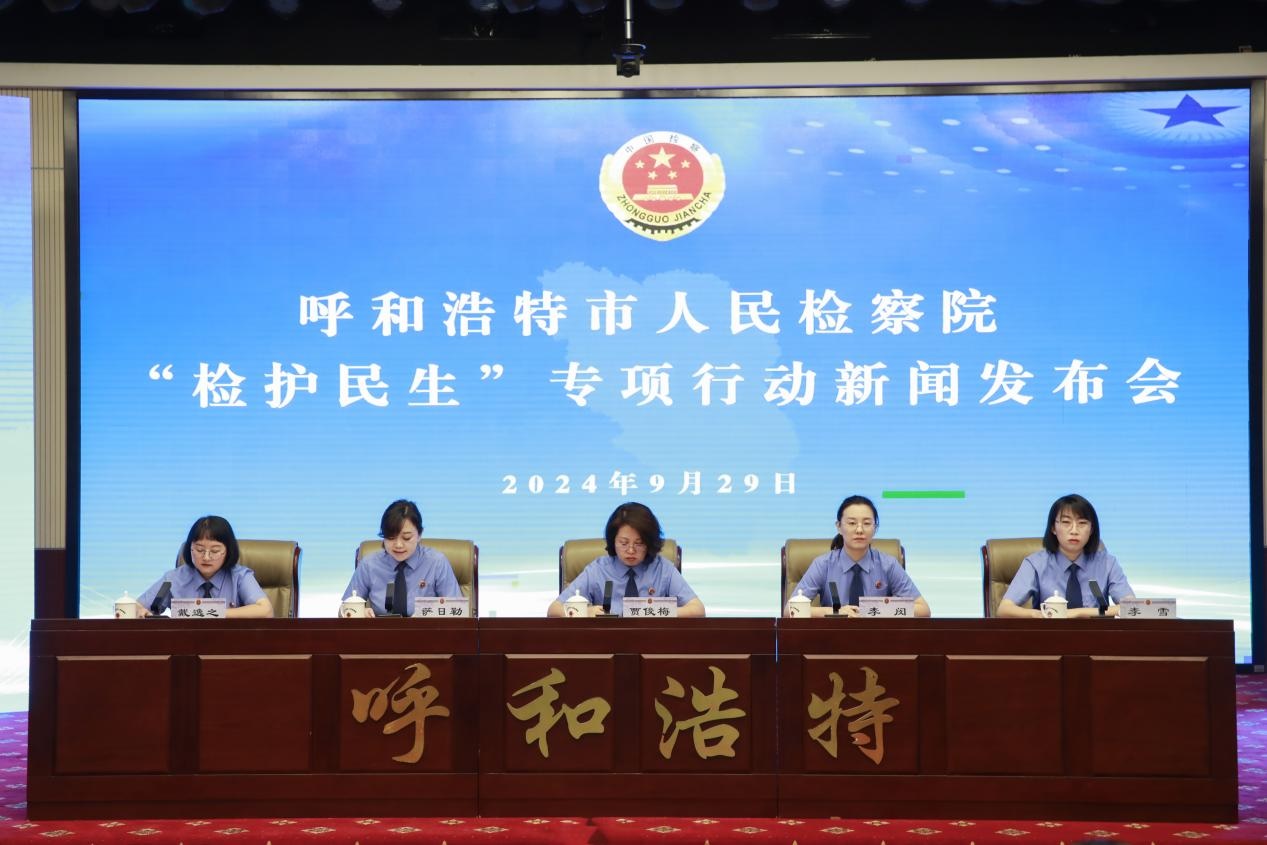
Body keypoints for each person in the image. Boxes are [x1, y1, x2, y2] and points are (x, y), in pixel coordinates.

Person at [547, 502, 705, 618]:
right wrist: (585, 612)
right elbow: (554, 610)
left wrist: (653, 612)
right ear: (613, 541)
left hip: (652, 644)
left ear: (649, 543)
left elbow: (698, 610)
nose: (630, 550)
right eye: (623, 543)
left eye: (639, 543)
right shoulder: (598, 570)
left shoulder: (662, 569)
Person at [786, 494, 931, 618]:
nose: (859, 530)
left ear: (875, 528)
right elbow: (790, 610)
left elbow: (924, 610)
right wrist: (834, 611)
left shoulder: (888, 565)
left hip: (878, 638)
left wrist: (878, 610)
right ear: (839, 527)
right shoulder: (823, 564)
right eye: (852, 523)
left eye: (867, 523)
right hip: (833, 638)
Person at [997, 493, 1135, 618]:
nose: (1074, 530)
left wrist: (1079, 612)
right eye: (1066, 522)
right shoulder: (1035, 564)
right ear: (1053, 528)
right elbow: (1004, 609)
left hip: (1096, 636)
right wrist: (1040, 615)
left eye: (1082, 523)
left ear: (1091, 529)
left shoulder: (1107, 563)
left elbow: (1133, 608)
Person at [342, 499, 462, 618]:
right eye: (391, 538)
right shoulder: (369, 565)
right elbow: (343, 611)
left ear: (419, 535)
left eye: (406, 538)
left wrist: (428, 613)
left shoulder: (436, 562)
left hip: (426, 630)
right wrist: (357, 613)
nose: (398, 545)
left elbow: (458, 611)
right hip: (382, 630)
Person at [135, 515, 273, 618]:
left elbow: (266, 610)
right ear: (190, 549)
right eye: (199, 550)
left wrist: (213, 613)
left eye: (215, 551)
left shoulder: (240, 577)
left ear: (228, 551)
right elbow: (137, 607)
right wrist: (141, 612)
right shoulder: (172, 579)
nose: (206, 557)